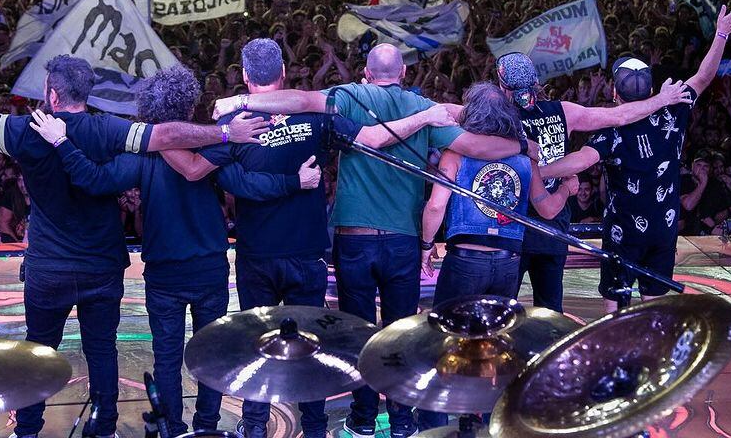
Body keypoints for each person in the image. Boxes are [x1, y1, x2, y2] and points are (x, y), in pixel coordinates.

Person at [0, 34, 268, 438]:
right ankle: (109, 429)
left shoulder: (24, 131)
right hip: (102, 266)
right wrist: (223, 134)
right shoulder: (109, 130)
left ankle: (27, 430)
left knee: (37, 351)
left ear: (52, 95)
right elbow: (165, 138)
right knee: (103, 350)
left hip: (49, 268)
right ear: (85, 91)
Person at [212, 43, 535, 438]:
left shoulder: (346, 97)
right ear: (403, 74)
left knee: (350, 336)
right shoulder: (422, 108)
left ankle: (353, 420)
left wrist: (238, 101)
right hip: (396, 239)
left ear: (366, 72)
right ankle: (396, 424)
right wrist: (522, 148)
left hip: (343, 239)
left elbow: (296, 107)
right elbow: (476, 147)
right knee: (397, 335)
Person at [165, 38, 456, 438]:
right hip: (306, 255)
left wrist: (154, 128)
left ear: (246, 77)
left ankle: (254, 428)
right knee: (313, 351)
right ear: (284, 73)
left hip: (258, 256)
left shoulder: (233, 127)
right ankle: (318, 430)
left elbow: (201, 171)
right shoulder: (318, 120)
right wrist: (424, 115)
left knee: (255, 345)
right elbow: (373, 139)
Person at [27, 63, 312, 436]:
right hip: (210, 267)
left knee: (166, 360)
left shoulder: (143, 156)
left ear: (148, 110)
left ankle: (172, 429)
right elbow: (248, 186)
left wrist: (63, 144)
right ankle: (206, 425)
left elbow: (93, 180)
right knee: (211, 354)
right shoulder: (218, 143)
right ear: (191, 106)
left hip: (163, 273)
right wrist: (296, 180)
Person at [542, 4, 731, 312]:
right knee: (652, 310)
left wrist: (538, 170)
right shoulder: (674, 108)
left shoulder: (613, 129)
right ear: (653, 88)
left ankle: (618, 357)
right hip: (663, 229)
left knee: (615, 313)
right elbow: (704, 77)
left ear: (615, 93)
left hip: (623, 233)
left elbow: (580, 162)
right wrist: (721, 33)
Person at [418, 83, 570, 431]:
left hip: (465, 260)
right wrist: (566, 188)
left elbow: (437, 205)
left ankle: (434, 421)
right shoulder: (524, 158)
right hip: (507, 263)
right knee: (491, 342)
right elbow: (546, 210)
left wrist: (426, 246)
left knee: (442, 340)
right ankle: (487, 420)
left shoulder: (455, 154)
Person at [494, 52, 693, 312]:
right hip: (551, 224)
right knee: (550, 310)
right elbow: (619, 117)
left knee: (500, 307)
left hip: (509, 225)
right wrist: (662, 100)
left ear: (501, 85)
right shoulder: (563, 111)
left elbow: (590, 151)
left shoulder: (492, 117)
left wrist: (529, 172)